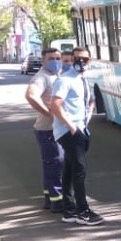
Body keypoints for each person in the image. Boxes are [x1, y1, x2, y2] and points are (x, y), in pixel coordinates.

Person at [50, 47, 103, 226]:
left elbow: (90, 99)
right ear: (72, 59)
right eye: (77, 59)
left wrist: (88, 115)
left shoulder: (83, 79)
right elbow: (55, 105)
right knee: (79, 170)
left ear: (90, 60)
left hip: (81, 127)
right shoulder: (65, 80)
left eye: (85, 59)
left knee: (70, 169)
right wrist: (71, 127)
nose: (81, 62)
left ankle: (69, 209)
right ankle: (83, 211)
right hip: (69, 131)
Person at [25, 48, 67, 213]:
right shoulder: (41, 77)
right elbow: (30, 95)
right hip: (47, 129)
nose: (56, 61)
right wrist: (48, 113)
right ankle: (57, 202)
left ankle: (50, 198)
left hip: (53, 129)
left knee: (52, 164)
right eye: (51, 58)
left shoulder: (55, 75)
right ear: (43, 61)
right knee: (55, 164)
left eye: (58, 58)